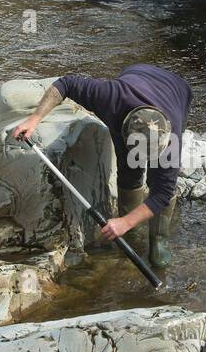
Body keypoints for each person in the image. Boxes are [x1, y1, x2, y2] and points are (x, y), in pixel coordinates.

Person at [11, 65, 192, 269]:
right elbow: (64, 84)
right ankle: (132, 231)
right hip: (137, 74)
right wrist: (34, 119)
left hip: (177, 90)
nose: (142, 158)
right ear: (125, 128)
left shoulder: (171, 138)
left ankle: (159, 238)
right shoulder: (110, 97)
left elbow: (163, 194)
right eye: (139, 153)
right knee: (128, 168)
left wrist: (124, 222)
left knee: (161, 180)